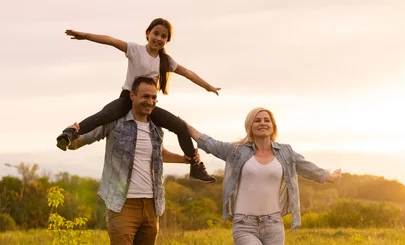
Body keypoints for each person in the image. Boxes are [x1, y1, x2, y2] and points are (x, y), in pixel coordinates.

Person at [56, 18, 218, 182]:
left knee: (181, 127)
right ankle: (70, 133)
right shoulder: (135, 50)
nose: (159, 39)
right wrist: (85, 36)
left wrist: (208, 87)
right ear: (147, 34)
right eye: (156, 33)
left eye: (163, 36)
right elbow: (111, 41)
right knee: (103, 116)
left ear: (166, 41)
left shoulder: (165, 61)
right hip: (127, 99)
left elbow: (187, 73)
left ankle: (195, 167)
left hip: (148, 105)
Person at [66, 77, 201, 245]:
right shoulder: (113, 122)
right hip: (123, 206)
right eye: (145, 96)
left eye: (153, 98)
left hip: (152, 205)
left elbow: (159, 154)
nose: (150, 102)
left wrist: (184, 160)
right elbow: (78, 143)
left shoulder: (156, 127)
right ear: (132, 95)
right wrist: (69, 139)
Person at [187, 107, 342, 245]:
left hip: (273, 224)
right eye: (257, 120)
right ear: (250, 126)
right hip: (244, 224)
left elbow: (306, 167)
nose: (263, 123)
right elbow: (210, 143)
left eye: (267, 120)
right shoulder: (236, 151)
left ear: (272, 126)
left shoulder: (285, 152)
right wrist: (180, 125)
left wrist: (328, 176)